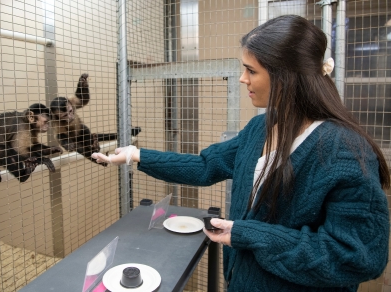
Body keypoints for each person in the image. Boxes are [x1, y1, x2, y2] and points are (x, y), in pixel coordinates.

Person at [92, 15, 390, 291]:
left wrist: (248, 234)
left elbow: (358, 256)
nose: (241, 79)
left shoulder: (344, 150)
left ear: (286, 77)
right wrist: (135, 155)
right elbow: (206, 166)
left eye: (251, 70)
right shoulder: (260, 128)